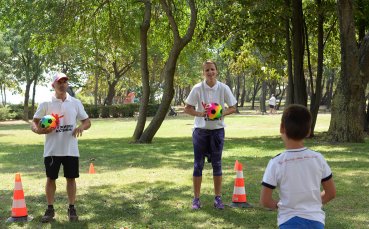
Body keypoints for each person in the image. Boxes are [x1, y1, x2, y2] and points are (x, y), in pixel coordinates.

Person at [260, 104, 336, 228]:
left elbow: (265, 200)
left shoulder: (276, 163)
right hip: (316, 222)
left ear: (281, 128)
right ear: (308, 131)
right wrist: (313, 205)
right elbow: (331, 193)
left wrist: (282, 206)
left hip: (288, 221)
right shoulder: (318, 158)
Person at [31, 72, 91, 223]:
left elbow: (87, 121)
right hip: (52, 150)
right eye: (59, 82)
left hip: (70, 149)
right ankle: (50, 209)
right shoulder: (45, 103)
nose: (63, 84)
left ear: (67, 84)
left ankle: (72, 208)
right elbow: (35, 122)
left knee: (71, 179)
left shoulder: (75, 103)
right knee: (51, 178)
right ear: (53, 85)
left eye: (65, 81)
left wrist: (81, 127)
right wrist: (40, 130)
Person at [184, 60, 237, 210]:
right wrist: (201, 113)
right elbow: (187, 109)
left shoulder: (224, 88)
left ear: (217, 71)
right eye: (207, 70)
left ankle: (218, 198)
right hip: (200, 131)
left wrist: (221, 113)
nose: (210, 72)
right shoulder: (197, 88)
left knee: (217, 165)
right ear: (203, 73)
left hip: (217, 131)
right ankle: (196, 199)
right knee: (197, 165)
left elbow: (233, 107)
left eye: (212, 69)